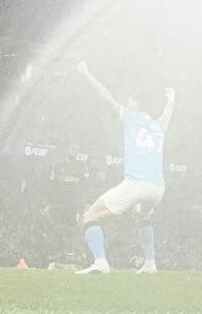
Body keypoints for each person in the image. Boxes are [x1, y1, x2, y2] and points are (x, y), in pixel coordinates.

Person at [74, 60, 175, 274]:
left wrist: (86, 74)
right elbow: (167, 115)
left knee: (89, 216)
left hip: (136, 184)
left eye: (130, 99)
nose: (127, 101)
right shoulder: (158, 126)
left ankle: (100, 262)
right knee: (143, 217)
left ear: (137, 103)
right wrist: (171, 100)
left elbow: (105, 95)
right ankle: (150, 263)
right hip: (158, 188)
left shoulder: (131, 117)